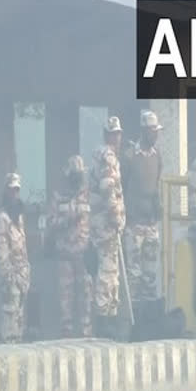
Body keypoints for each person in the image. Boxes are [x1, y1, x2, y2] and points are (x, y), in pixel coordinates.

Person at [120, 110, 163, 306]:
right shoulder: (129, 156)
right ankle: (133, 315)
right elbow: (121, 187)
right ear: (145, 131)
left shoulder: (157, 156)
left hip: (151, 223)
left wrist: (157, 206)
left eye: (157, 131)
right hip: (134, 224)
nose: (156, 135)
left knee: (150, 273)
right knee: (134, 274)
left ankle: (149, 315)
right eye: (153, 131)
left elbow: (155, 184)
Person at [89, 116, 126, 337]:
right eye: (113, 134)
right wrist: (115, 217)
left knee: (111, 271)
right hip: (106, 224)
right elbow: (108, 188)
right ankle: (105, 318)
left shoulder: (102, 155)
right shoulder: (108, 156)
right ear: (107, 135)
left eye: (118, 133)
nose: (117, 137)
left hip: (103, 224)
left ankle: (110, 315)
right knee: (107, 272)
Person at [49, 156, 92, 338]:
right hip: (65, 253)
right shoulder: (58, 196)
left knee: (86, 293)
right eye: (75, 175)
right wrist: (67, 219)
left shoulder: (88, 194)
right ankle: (66, 332)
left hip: (83, 254)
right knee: (66, 296)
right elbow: (50, 222)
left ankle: (86, 332)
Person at [0, 173, 31, 343]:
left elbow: (23, 247)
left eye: (17, 190)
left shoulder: (19, 217)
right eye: (11, 190)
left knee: (20, 318)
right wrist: (8, 277)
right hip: (10, 278)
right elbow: (0, 252)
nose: (15, 194)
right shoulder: (2, 218)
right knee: (9, 318)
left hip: (22, 277)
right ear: (6, 191)